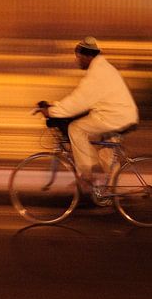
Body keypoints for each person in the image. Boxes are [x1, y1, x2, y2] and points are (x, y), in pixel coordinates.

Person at [38, 37, 139, 188]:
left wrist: (52, 111)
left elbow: (79, 101)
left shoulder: (97, 74)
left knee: (76, 128)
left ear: (87, 56)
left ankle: (87, 175)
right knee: (106, 151)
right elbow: (80, 99)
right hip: (119, 115)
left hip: (114, 117)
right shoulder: (102, 68)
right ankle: (111, 188)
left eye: (79, 57)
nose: (77, 60)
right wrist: (56, 106)